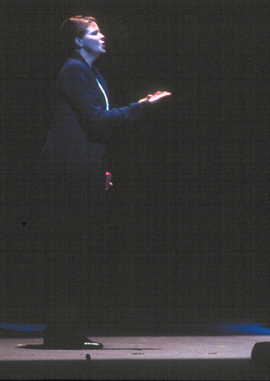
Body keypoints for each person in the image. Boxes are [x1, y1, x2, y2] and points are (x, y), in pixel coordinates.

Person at [39, 15, 171, 349]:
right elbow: (96, 120)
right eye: (94, 32)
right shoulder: (73, 70)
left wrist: (103, 169)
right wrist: (141, 107)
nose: (102, 36)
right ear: (77, 40)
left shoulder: (91, 72)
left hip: (83, 166)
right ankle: (61, 332)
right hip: (69, 170)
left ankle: (66, 331)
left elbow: (96, 129)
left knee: (78, 250)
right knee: (72, 250)